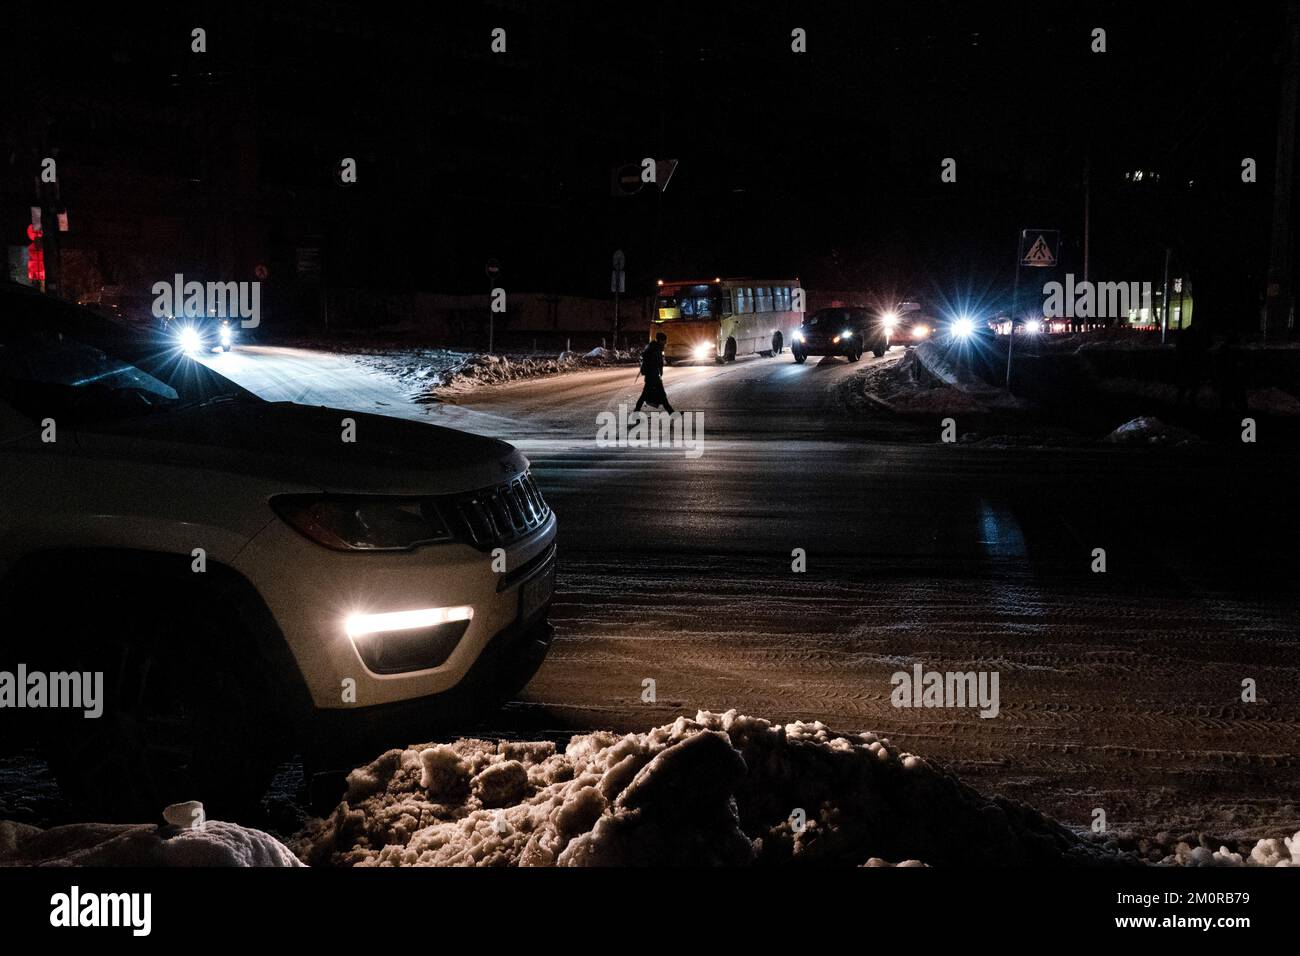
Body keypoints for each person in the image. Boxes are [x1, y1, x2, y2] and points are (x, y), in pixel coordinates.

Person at [634, 332, 675, 414]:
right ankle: (672, 413)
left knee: (651, 395)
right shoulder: (655, 349)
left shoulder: (653, 347)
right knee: (658, 395)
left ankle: (672, 412)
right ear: (660, 340)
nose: (665, 342)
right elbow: (655, 363)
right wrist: (658, 372)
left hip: (653, 376)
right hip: (653, 376)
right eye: (664, 341)